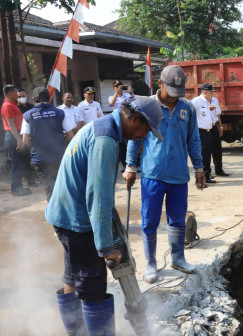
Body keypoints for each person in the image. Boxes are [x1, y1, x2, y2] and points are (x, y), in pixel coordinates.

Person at [46, 96, 163, 336]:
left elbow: (99, 194)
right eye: (146, 130)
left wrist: (113, 224)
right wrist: (106, 247)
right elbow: (98, 198)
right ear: (136, 119)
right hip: (78, 220)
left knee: (73, 274)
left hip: (65, 213)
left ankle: (75, 331)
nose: (145, 136)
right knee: (92, 285)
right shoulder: (106, 140)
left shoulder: (102, 126)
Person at [123, 65, 206, 284]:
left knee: (177, 219)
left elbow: (194, 139)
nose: (174, 98)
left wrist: (199, 168)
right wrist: (131, 166)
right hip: (153, 174)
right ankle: (150, 262)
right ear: (160, 84)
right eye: (171, 91)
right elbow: (135, 137)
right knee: (149, 219)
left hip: (178, 174)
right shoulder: (147, 106)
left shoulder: (188, 108)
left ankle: (178, 258)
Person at [21, 88, 74, 202]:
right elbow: (71, 135)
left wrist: (37, 144)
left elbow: (25, 140)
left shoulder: (27, 115)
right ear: (49, 99)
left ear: (34, 99)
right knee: (60, 184)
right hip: (59, 156)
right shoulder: (60, 112)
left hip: (40, 158)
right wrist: (60, 142)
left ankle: (54, 213)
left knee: (49, 187)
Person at [1, 84, 31, 196]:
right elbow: (11, 125)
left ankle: (19, 187)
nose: (17, 94)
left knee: (19, 162)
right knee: (16, 162)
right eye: (15, 92)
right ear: (9, 93)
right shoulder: (7, 105)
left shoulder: (13, 104)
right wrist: (19, 140)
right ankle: (16, 189)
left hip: (17, 135)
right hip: (13, 136)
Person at [191, 83, 218, 184]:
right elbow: (190, 114)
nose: (213, 95)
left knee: (207, 155)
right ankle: (199, 180)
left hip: (208, 132)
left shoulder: (207, 102)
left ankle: (206, 176)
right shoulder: (197, 101)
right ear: (205, 92)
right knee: (201, 155)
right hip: (200, 132)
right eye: (211, 92)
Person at [17, 88, 38, 188]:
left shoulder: (31, 107)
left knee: (35, 157)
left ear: (26, 96)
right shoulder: (16, 108)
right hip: (22, 136)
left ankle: (40, 177)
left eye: (23, 96)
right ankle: (30, 180)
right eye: (19, 97)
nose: (22, 98)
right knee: (25, 159)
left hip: (33, 136)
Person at [209, 89, 229, 177]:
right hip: (204, 128)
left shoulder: (215, 100)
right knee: (206, 151)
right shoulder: (199, 101)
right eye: (211, 91)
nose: (213, 93)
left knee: (217, 149)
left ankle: (219, 169)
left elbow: (217, 114)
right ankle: (206, 172)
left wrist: (220, 126)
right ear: (205, 92)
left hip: (214, 126)